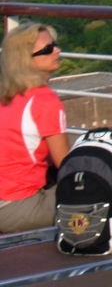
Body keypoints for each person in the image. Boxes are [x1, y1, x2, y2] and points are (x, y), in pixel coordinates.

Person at [0, 22, 69, 233]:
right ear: (25, 60)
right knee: (100, 191)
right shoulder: (44, 100)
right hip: (16, 207)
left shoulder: (6, 96)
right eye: (48, 49)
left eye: (54, 45)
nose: (57, 50)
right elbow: (66, 165)